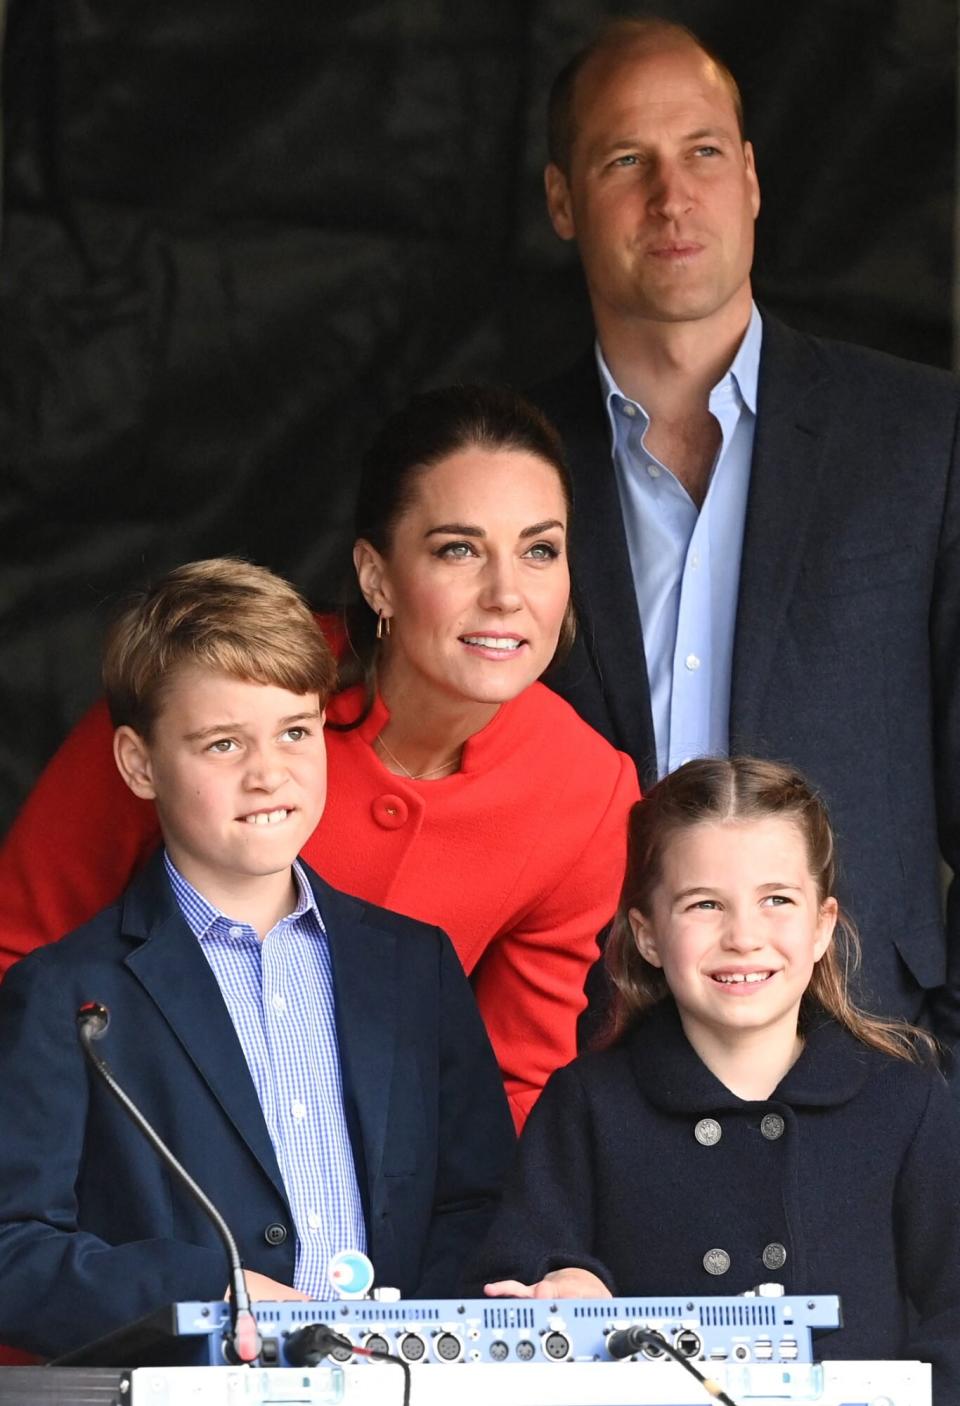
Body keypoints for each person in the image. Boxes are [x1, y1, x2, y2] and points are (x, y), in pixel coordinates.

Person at [0, 384, 640, 1130]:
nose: (506, 594)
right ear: (377, 577)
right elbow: (18, 952)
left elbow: (510, 1087)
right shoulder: (214, 691)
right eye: (458, 549)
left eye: (540, 550)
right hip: (137, 1163)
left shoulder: (590, 794)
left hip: (379, 1209)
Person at [529, 17, 960, 1051]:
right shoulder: (506, 462)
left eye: (703, 153)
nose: (671, 197)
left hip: (869, 1052)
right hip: (586, 1055)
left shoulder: (921, 436)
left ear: (753, 178)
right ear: (562, 201)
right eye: (627, 160)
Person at [0, 558, 515, 1359]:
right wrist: (203, 1292)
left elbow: (479, 1203)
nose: (269, 772)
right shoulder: (65, 993)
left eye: (295, 732)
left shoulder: (415, 969)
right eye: (222, 743)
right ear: (139, 764)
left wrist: (409, 1345)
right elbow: (13, 1251)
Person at [479, 758, 960, 1396]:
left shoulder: (905, 1103)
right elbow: (511, 1276)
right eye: (705, 904)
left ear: (822, 926)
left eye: (777, 901)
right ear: (647, 936)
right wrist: (566, 1281)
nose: (743, 937)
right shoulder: (588, 1103)